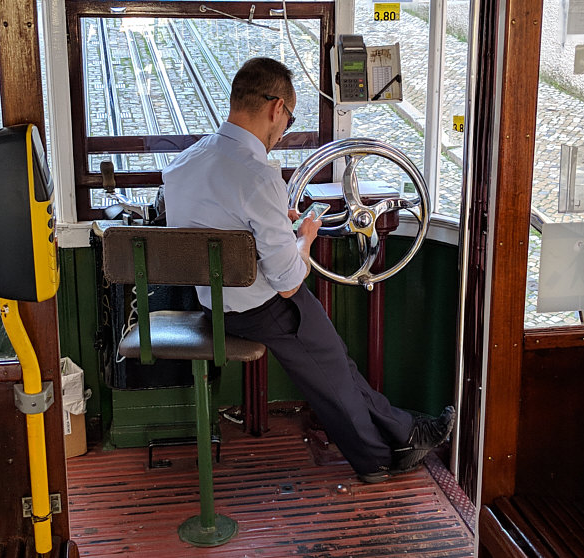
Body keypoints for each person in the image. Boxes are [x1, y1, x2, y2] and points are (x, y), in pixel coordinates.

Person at [162, 57, 454, 483]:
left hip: (213, 304)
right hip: (259, 307)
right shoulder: (258, 176)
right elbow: (287, 282)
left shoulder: (183, 163)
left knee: (334, 360)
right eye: (288, 118)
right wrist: (305, 236)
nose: (281, 132)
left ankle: (406, 431)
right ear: (276, 108)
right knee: (333, 368)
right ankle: (376, 458)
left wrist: (278, 223)